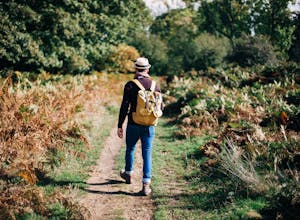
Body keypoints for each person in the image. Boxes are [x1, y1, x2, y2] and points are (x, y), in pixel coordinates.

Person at [117, 57, 161, 196]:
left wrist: (120, 125)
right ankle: (146, 185)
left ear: (136, 69)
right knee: (146, 153)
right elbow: (160, 106)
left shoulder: (130, 85)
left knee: (130, 148)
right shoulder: (155, 85)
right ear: (148, 69)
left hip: (133, 124)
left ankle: (128, 174)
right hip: (149, 125)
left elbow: (125, 106)